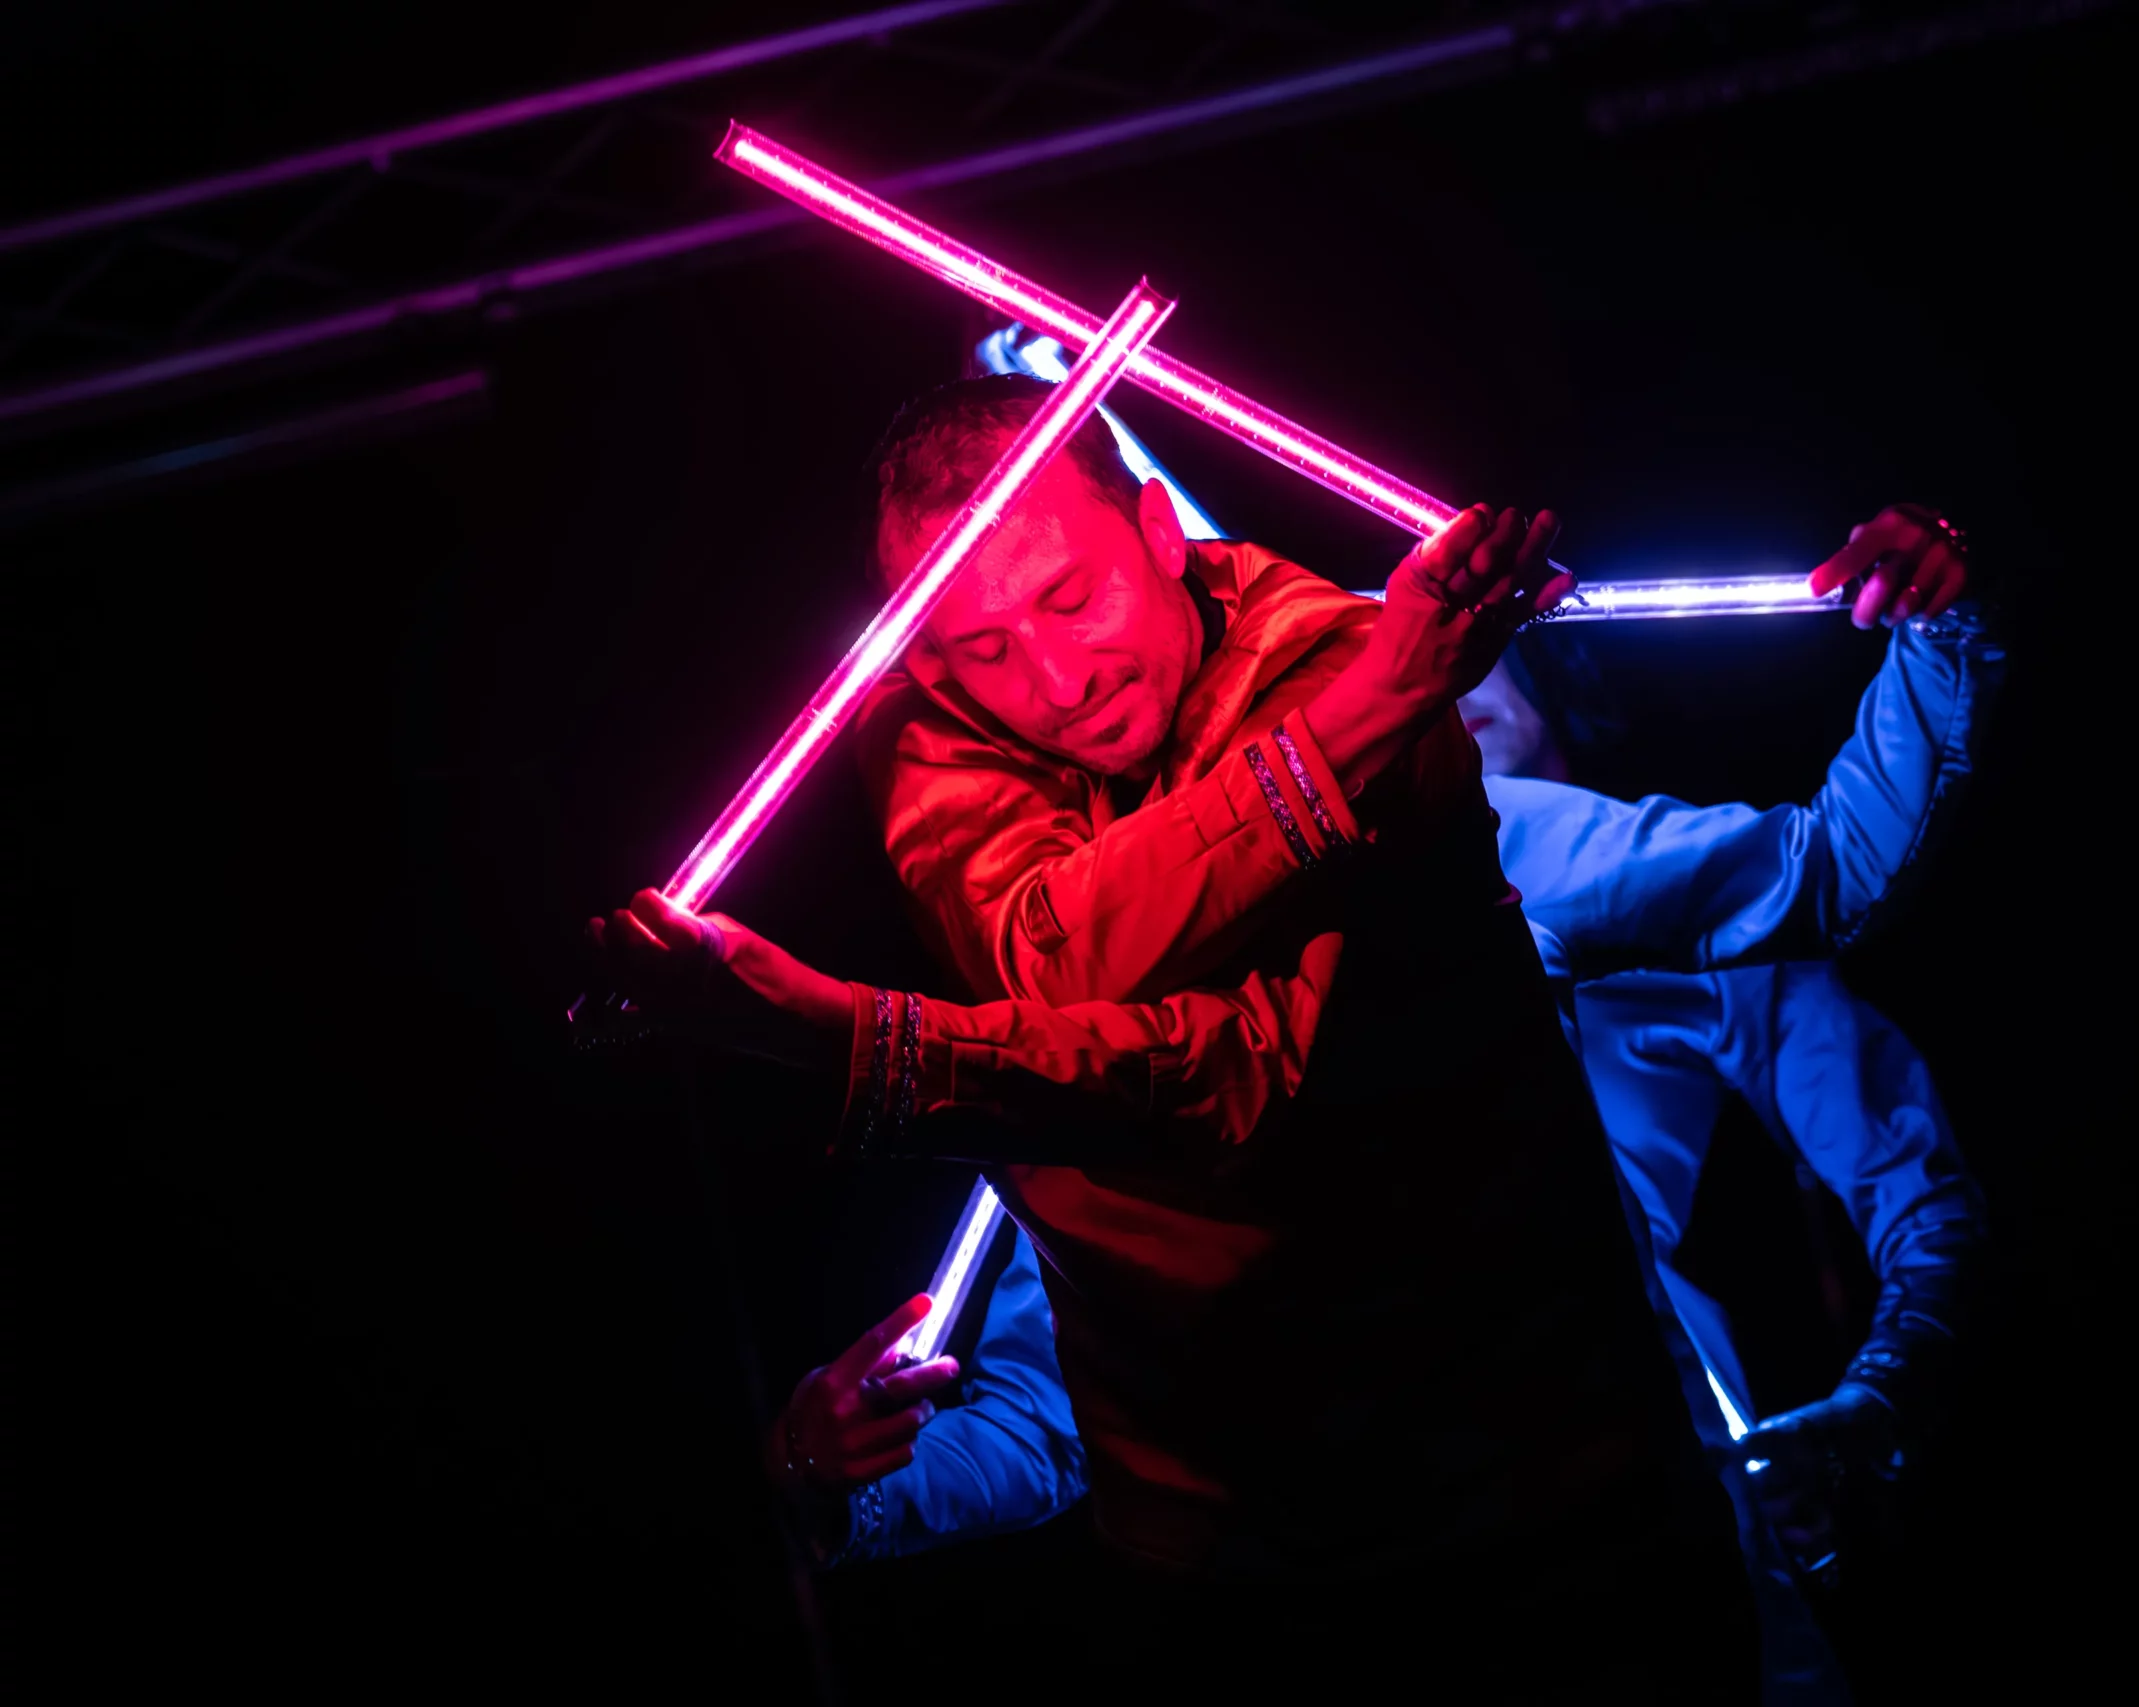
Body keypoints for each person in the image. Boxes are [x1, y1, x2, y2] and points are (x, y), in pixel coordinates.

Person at [592, 374, 1970, 1686]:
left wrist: (1944, 627)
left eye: (1071, 597)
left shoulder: (1472, 809)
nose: (1057, 682)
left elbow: (1226, 1082)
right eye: (986, 649)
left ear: (1159, 536)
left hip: (1559, 1530)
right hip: (1246, 1604)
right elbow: (1053, 1406)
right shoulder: (1019, 920)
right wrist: (830, 1483)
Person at [775, 615, 1997, 1705]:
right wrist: (835, 1484)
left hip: (1625, 1533)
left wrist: (1883, 1395)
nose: (1411, 694)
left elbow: (1910, 1158)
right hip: (1327, 1601)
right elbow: (1057, 1409)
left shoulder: (1603, 882)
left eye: (1443, 666)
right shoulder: (1160, 985)